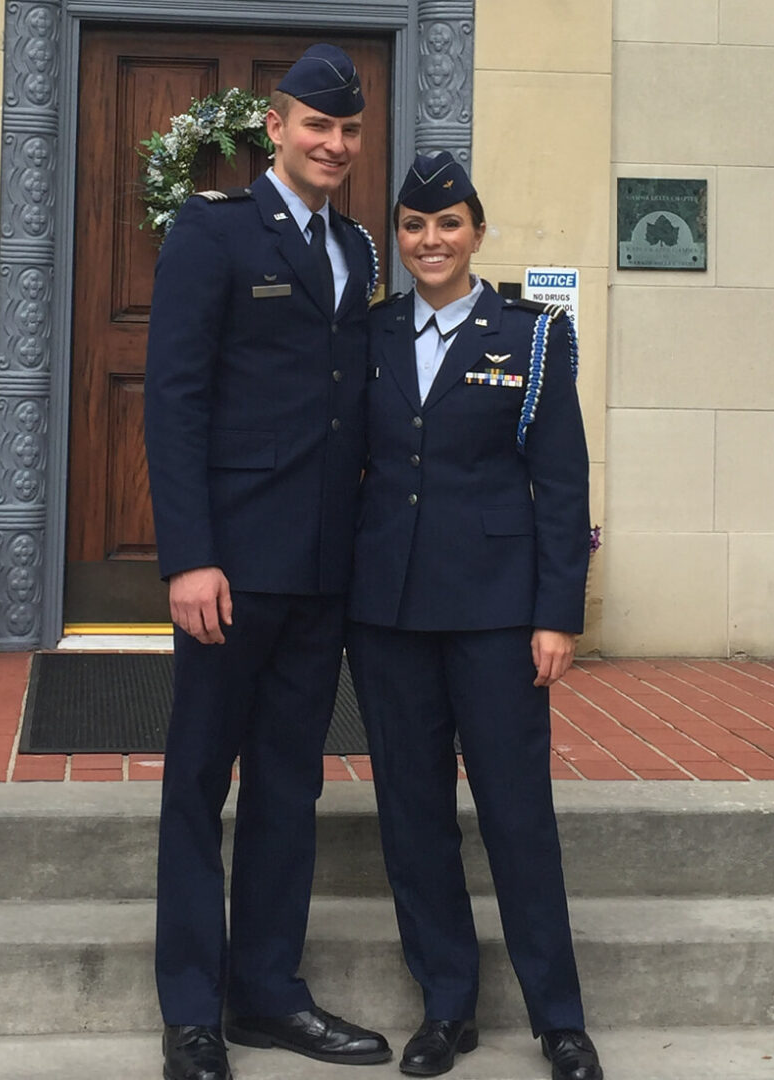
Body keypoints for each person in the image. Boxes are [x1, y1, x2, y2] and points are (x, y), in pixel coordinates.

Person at [144, 44, 390, 1080]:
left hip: (323, 568)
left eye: (348, 131)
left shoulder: (361, 250)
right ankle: (194, 1012)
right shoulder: (212, 232)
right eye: (316, 126)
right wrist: (192, 556)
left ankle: (269, 997)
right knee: (200, 783)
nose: (333, 145)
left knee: (291, 787)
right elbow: (176, 399)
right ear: (277, 126)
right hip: (232, 568)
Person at [345, 151, 603, 1080]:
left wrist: (556, 614)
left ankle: (559, 1018)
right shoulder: (367, 334)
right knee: (412, 815)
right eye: (414, 226)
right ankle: (445, 1006)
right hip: (389, 612)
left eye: (448, 224)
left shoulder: (532, 337)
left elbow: (561, 482)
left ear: (477, 232)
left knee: (516, 815)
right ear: (400, 240)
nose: (431, 241)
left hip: (497, 612)